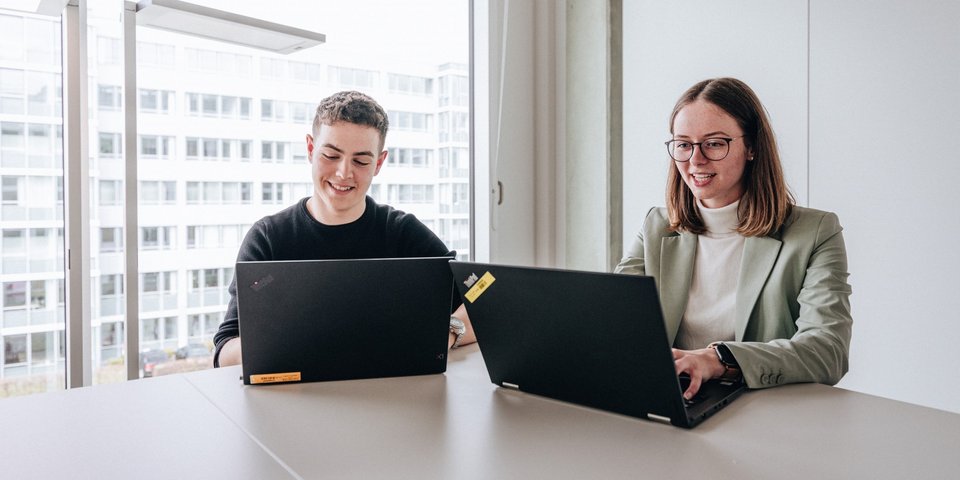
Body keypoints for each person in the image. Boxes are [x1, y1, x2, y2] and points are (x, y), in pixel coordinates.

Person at [615, 77, 852, 400]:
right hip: (673, 401)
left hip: (765, 413)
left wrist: (720, 359)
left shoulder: (815, 232)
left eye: (714, 143)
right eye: (683, 144)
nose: (695, 160)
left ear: (752, 147)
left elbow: (828, 351)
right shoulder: (657, 226)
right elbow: (613, 323)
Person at [213, 90, 475, 367]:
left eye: (361, 161)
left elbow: (484, 299)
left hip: (390, 399)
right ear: (311, 149)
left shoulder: (401, 232)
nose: (343, 173)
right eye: (331, 155)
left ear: (379, 163)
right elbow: (224, 353)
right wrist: (298, 344)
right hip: (294, 401)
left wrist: (446, 333)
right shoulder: (268, 238)